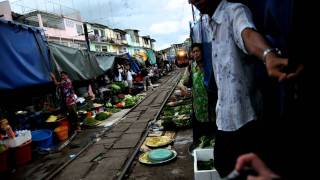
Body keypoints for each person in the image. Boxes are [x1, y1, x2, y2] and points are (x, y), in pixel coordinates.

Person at [190, 0, 288, 177]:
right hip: (224, 121)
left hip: (246, 122)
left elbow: (247, 35)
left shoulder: (234, 11)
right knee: (223, 166)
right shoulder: (208, 24)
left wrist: (268, 55)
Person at [178, 43, 216, 147]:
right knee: (202, 138)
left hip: (212, 108)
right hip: (198, 109)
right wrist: (182, 87)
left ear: (202, 52)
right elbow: (182, 82)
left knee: (214, 137)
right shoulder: (191, 67)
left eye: (197, 51)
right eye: (193, 52)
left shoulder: (210, 65)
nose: (196, 54)